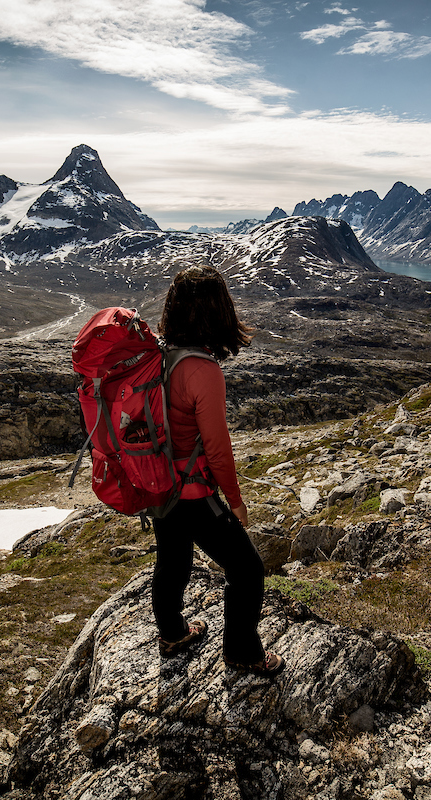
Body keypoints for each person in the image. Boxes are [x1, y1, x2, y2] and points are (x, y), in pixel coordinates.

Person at [151, 265, 284, 678]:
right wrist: (237, 501)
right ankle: (243, 651)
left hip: (156, 486)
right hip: (193, 494)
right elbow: (218, 450)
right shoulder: (203, 371)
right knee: (246, 569)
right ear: (217, 312)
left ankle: (172, 633)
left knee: (173, 557)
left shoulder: (156, 356)